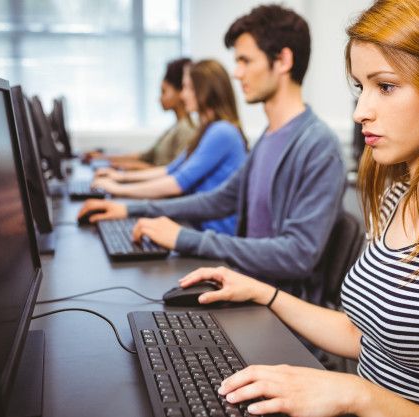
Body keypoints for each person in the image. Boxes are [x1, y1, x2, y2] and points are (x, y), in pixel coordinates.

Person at [173, 1, 419, 416]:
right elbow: (362, 332)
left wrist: (358, 395)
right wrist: (266, 293)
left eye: (384, 86)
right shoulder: (397, 198)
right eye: (360, 88)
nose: (361, 111)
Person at [78, 4, 345, 304]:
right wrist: (132, 210)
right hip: (243, 283)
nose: (236, 72)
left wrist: (186, 239)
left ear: (282, 60)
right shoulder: (269, 138)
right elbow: (221, 199)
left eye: (245, 60)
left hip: (279, 311)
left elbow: (298, 255)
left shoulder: (319, 147)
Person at [92, 59, 248, 235]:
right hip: (197, 225)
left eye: (188, 88)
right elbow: (169, 170)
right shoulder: (207, 130)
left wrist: (119, 190)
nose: (183, 95)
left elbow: (177, 183)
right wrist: (119, 178)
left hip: (214, 233)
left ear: (204, 91)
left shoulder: (222, 132)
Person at [84, 57, 197, 170]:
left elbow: (175, 173)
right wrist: (103, 158)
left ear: (180, 92)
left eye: (164, 92)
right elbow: (145, 157)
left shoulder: (186, 129)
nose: (159, 98)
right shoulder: (175, 127)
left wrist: (127, 168)